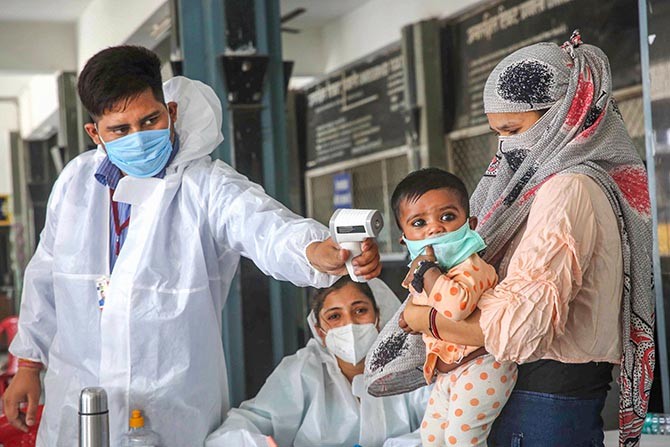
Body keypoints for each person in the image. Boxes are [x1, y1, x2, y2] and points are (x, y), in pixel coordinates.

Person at [1, 46, 381, 447]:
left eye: (151, 120)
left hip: (172, 402)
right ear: (96, 133)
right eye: (120, 130)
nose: (140, 138)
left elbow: (263, 225)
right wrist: (28, 363)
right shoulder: (76, 185)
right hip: (78, 394)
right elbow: (45, 274)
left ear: (172, 112)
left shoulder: (205, 185)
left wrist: (316, 251)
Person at [402, 32, 654, 447]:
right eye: (497, 133)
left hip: (542, 401)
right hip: (547, 400)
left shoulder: (567, 189)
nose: (505, 148)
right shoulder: (572, 181)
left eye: (513, 129)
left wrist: (425, 316)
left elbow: (516, 330)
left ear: (561, 116)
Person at [205, 277, 430, 447]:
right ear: (320, 331)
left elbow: (443, 423)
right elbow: (233, 432)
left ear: (378, 317)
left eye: (360, 310)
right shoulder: (302, 372)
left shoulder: (408, 365)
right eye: (334, 316)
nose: (348, 323)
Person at [393, 168, 516, 447]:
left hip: (482, 368)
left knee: (462, 440)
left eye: (447, 217)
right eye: (419, 223)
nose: (434, 229)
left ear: (469, 224)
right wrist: (411, 317)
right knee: (431, 437)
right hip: (447, 374)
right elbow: (418, 307)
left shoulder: (472, 267)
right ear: (405, 239)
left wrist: (428, 270)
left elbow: (456, 307)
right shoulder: (427, 272)